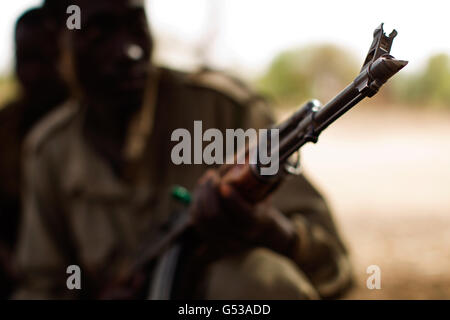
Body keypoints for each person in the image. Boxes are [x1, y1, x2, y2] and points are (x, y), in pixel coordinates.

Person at [14, 0, 352, 299]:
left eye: (137, 24)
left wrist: (268, 229)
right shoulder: (50, 149)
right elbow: (40, 285)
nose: (129, 51)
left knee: (257, 281)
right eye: (99, 32)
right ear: (61, 42)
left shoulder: (226, 112)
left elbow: (334, 267)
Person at [0, 7, 69, 299]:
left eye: (45, 59)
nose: (33, 73)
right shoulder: (6, 124)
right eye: (24, 59)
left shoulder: (84, 129)